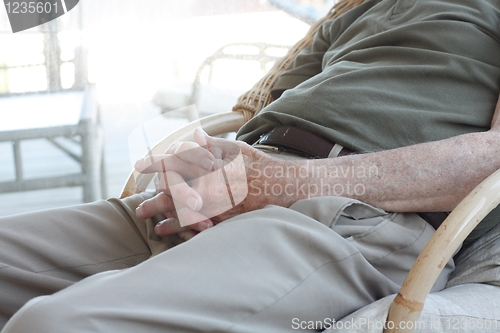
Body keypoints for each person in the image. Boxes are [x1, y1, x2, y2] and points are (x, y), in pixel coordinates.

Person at [2, 0, 500, 332]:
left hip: (355, 218)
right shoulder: (359, 9)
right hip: (240, 188)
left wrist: (288, 182)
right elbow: (256, 117)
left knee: (52, 325)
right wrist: (204, 165)